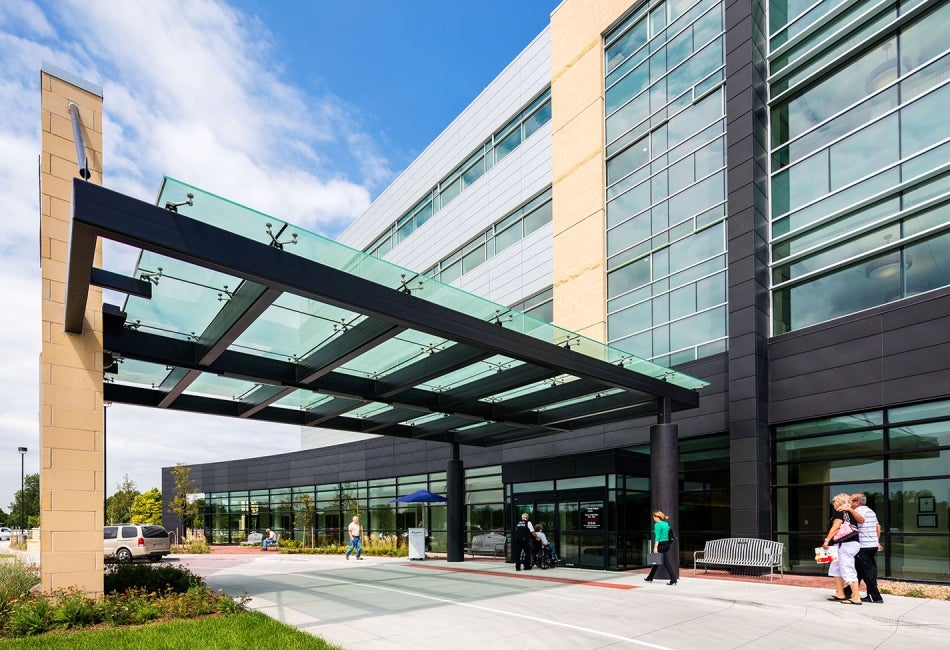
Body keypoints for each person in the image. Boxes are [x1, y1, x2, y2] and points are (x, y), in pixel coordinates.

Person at [822, 492, 864, 605]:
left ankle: (856, 597)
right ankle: (840, 593)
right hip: (843, 544)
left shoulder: (840, 513)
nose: (833, 504)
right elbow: (861, 521)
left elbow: (836, 527)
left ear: (839, 502)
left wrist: (826, 540)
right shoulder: (850, 513)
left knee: (847, 568)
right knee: (836, 568)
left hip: (846, 544)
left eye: (834, 501)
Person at [846, 493, 883, 603]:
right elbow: (878, 527)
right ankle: (848, 591)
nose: (849, 502)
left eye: (850, 500)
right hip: (870, 545)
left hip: (864, 546)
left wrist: (850, 510)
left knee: (868, 571)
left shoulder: (858, 511)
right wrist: (876, 542)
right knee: (859, 569)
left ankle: (875, 597)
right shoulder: (870, 511)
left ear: (857, 502)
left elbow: (861, 520)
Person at [645, 510, 677, 585]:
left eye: (654, 517)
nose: (653, 519)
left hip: (661, 544)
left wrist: (655, 547)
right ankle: (650, 577)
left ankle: (673, 579)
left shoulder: (657, 525)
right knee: (656, 561)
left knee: (666, 563)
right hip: (667, 544)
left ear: (657, 517)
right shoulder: (666, 523)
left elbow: (658, 537)